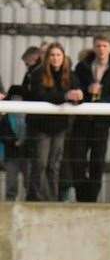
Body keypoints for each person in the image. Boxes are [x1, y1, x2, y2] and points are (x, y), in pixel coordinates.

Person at [26, 43, 84, 201]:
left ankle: (51, 199)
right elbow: (40, 95)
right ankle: (36, 198)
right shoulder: (38, 74)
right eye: (52, 55)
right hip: (41, 126)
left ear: (63, 57)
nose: (55, 58)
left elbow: (78, 92)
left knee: (54, 165)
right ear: (47, 57)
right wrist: (65, 96)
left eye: (58, 55)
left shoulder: (70, 75)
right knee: (40, 164)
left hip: (60, 127)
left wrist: (78, 95)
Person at [73, 34, 110, 202]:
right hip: (81, 122)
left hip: (102, 124)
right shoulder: (82, 67)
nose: (101, 49)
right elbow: (75, 87)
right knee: (78, 161)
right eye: (98, 46)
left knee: (97, 163)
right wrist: (86, 91)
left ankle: (91, 200)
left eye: (104, 46)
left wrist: (101, 95)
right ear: (93, 47)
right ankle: (81, 197)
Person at [0, 85, 29, 200]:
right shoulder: (6, 118)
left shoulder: (29, 116)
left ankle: (30, 201)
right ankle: (9, 202)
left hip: (26, 154)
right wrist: (13, 142)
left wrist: (24, 142)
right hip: (11, 154)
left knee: (29, 181)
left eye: (19, 98)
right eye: (14, 98)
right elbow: (2, 134)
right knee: (11, 182)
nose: (17, 101)